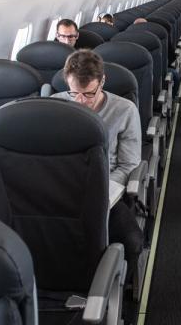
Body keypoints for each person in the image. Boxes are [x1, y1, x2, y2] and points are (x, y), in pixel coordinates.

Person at [53, 50, 143, 266]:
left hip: (104, 189)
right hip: (61, 188)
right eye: (75, 93)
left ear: (102, 81)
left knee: (133, 242)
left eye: (89, 94)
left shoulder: (124, 110)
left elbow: (128, 164)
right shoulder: (54, 106)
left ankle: (115, 287)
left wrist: (103, 192)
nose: (82, 101)